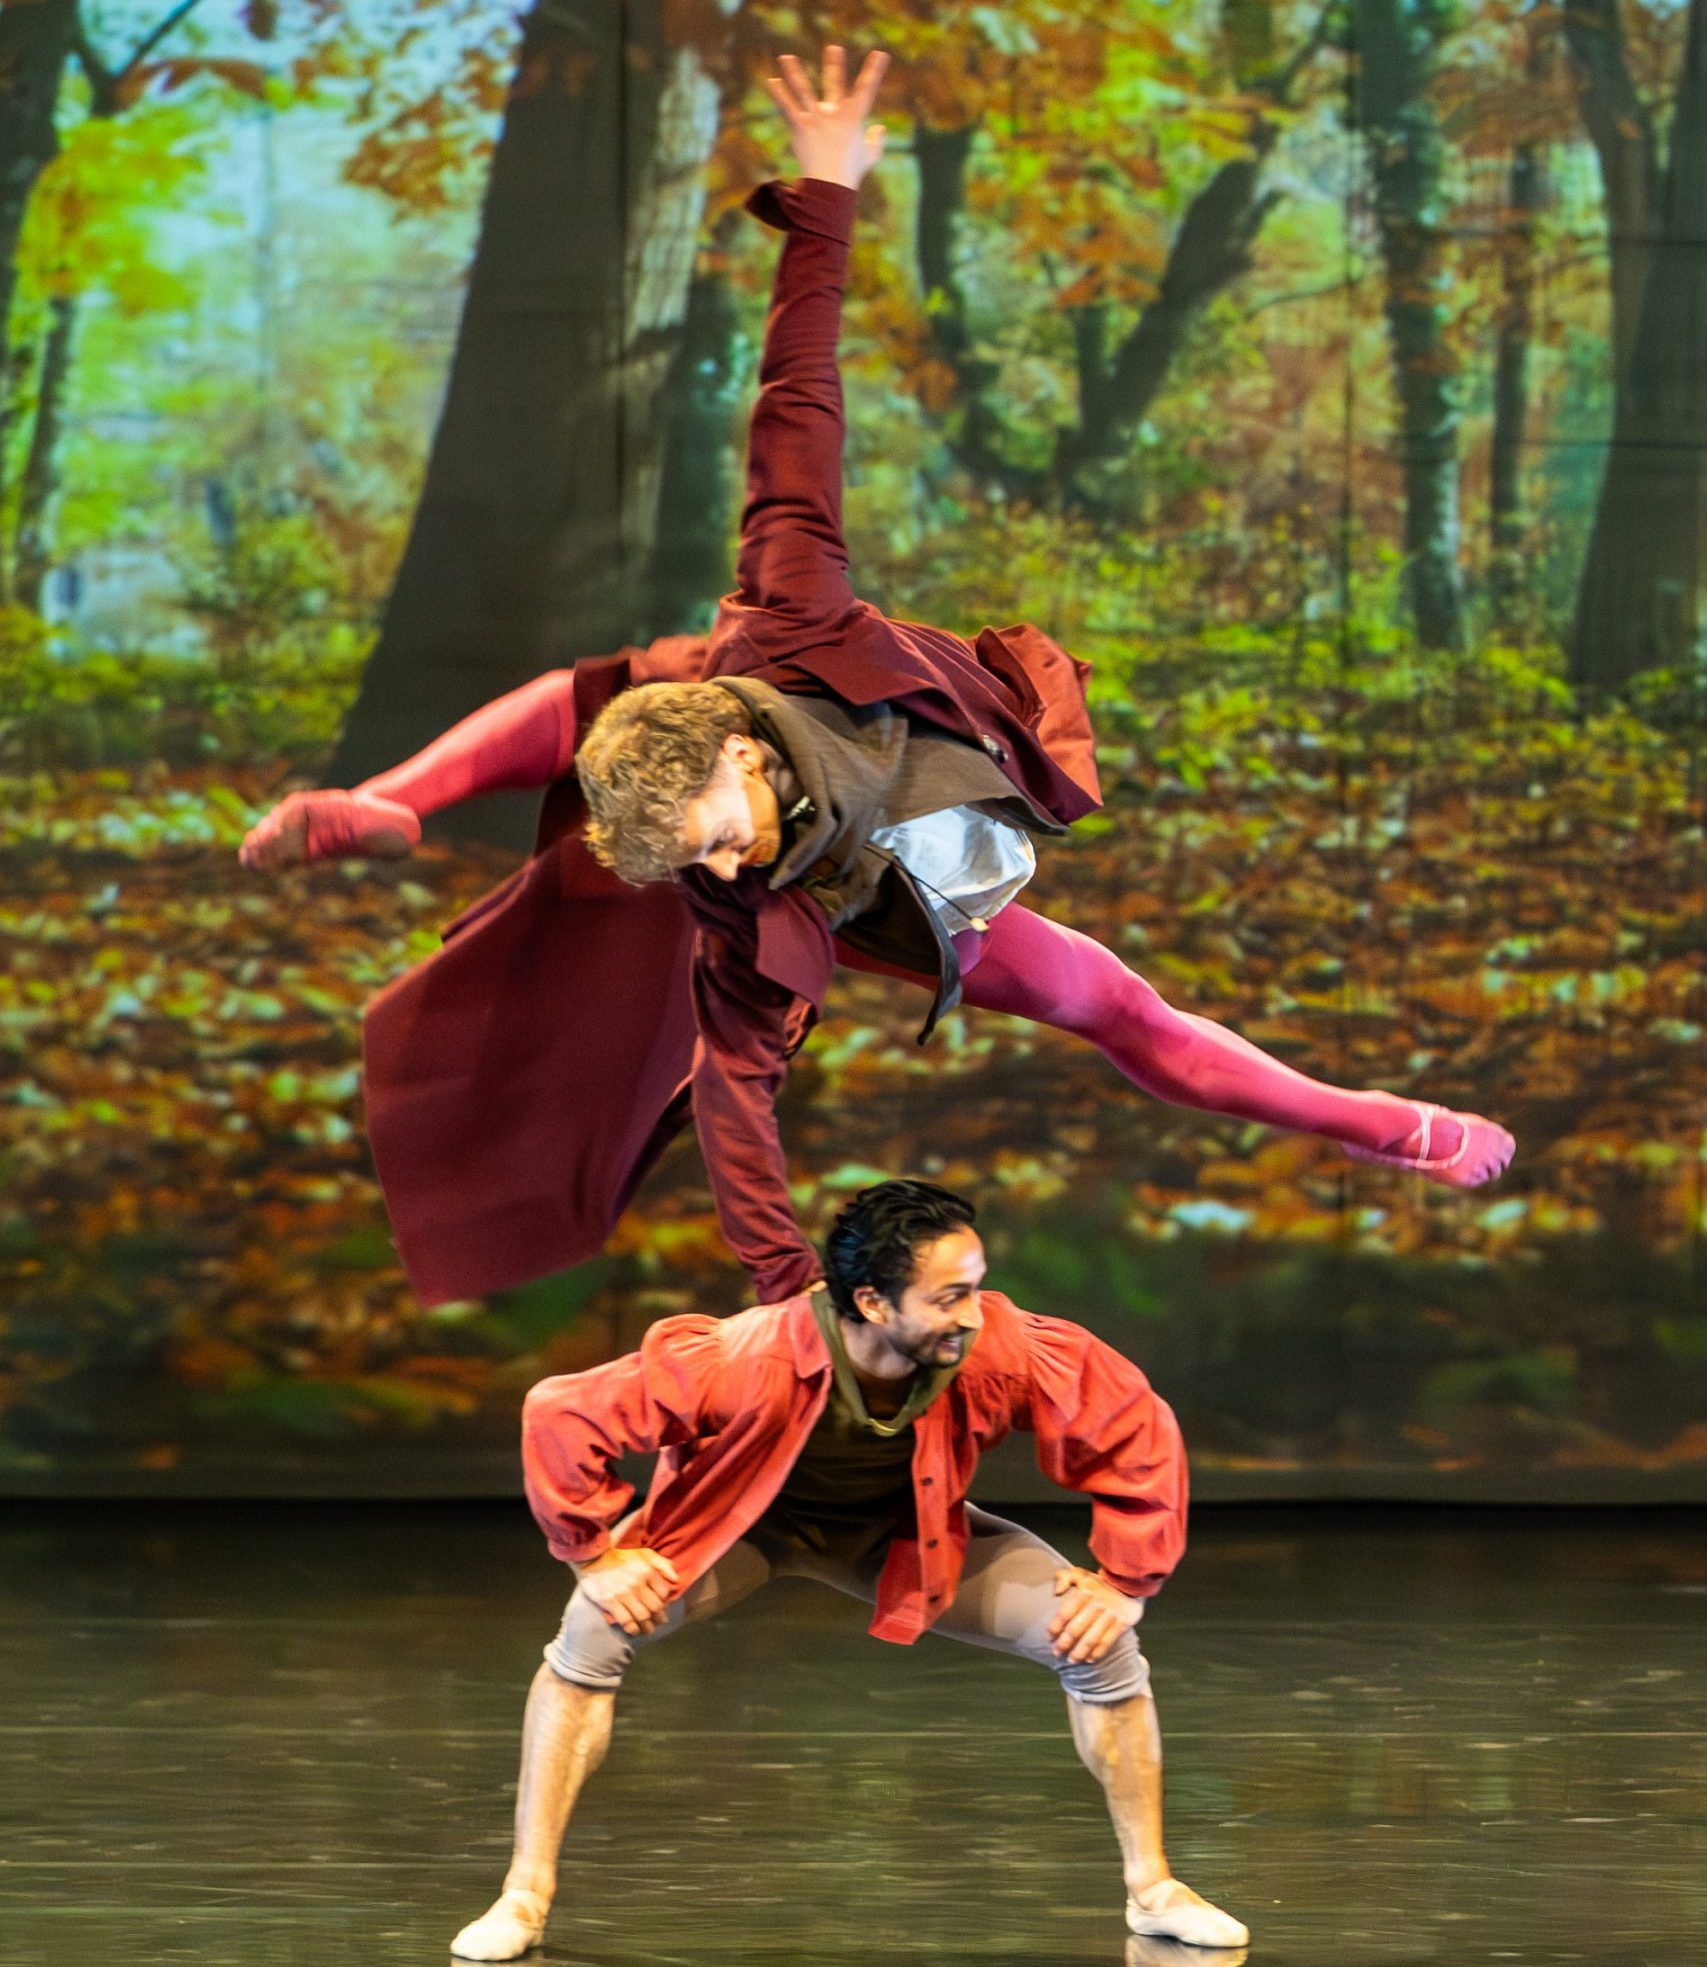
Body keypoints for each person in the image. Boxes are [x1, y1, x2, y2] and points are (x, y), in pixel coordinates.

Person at [238, 47, 1514, 1311]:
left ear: (740, 764)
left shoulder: (786, 600)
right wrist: (789, 1296)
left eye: (718, 841)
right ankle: (403, 796)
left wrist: (827, 195)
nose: (722, 874)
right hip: (876, 878)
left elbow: (796, 395)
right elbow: (738, 1105)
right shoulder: (741, 900)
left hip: (807, 697)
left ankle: (1380, 1124)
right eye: (704, 865)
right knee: (1104, 996)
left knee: (610, 694)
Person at [448, 1178, 1248, 1961]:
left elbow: (1131, 1422)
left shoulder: (993, 1344)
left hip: (899, 1537)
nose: (973, 1314)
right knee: (591, 1634)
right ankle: (524, 1892)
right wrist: (593, 1553)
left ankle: (1154, 1890)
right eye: (947, 1297)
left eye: (976, 1289)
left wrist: (1124, 1579)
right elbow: (561, 1409)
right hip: (745, 1531)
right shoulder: (746, 1356)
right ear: (870, 1302)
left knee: (1098, 1644)